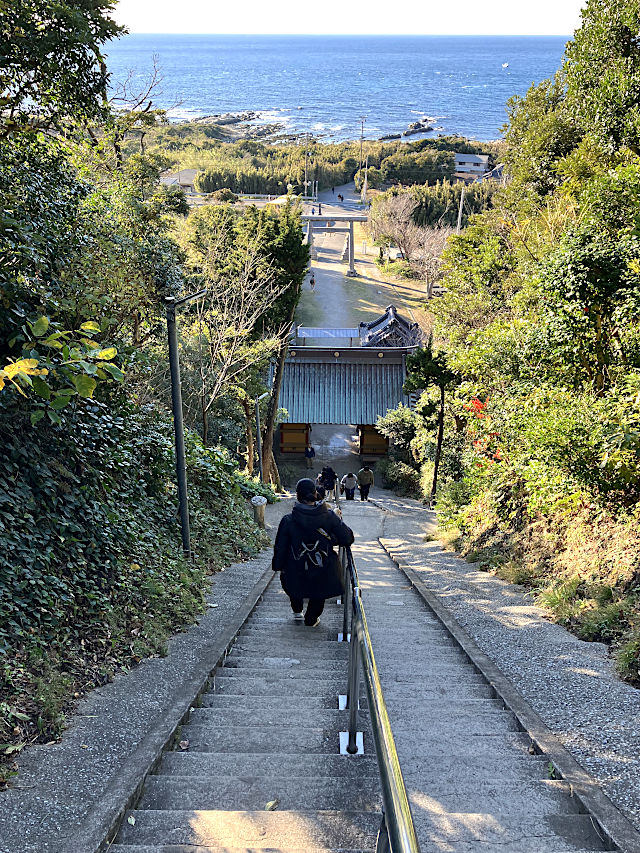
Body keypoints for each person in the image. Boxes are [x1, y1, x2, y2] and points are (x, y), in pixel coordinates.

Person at [272, 478, 354, 626]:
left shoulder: (288, 520)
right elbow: (347, 538)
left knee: (294, 583)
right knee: (319, 590)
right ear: (315, 494)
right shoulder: (329, 516)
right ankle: (311, 618)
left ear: (297, 496)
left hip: (295, 567)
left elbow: (281, 547)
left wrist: (278, 566)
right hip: (322, 568)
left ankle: (297, 611)